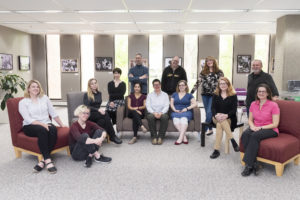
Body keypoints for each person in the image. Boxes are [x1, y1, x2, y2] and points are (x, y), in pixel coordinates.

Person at [18, 80, 64, 174]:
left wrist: (61, 125)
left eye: (37, 87)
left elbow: (53, 112)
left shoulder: (45, 98)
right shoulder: (23, 102)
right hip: (30, 125)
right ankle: (48, 160)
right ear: (29, 89)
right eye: (33, 87)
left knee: (53, 130)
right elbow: (27, 118)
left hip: (46, 122)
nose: (36, 88)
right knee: (42, 130)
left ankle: (42, 161)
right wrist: (42, 124)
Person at [241, 84, 280, 176]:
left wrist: (260, 128)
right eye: (259, 91)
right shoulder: (253, 104)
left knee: (255, 135)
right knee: (245, 134)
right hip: (256, 127)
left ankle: (249, 166)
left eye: (263, 91)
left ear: (267, 93)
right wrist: (252, 126)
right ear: (257, 93)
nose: (261, 93)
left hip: (270, 129)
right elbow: (250, 120)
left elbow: (275, 124)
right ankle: (254, 163)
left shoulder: (273, 105)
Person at [191, 56, 224, 135]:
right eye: (207, 61)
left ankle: (204, 129)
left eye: (210, 60)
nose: (209, 62)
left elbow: (222, 83)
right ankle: (210, 129)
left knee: (209, 111)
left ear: (214, 61)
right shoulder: (203, 72)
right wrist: (191, 92)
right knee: (207, 112)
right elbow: (198, 82)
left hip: (214, 95)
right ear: (206, 63)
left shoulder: (219, 72)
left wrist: (223, 93)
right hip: (204, 94)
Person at [84, 78, 122, 144]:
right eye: (92, 84)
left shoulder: (99, 93)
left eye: (95, 83)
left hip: (97, 114)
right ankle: (112, 136)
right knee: (105, 114)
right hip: (89, 114)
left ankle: (96, 136)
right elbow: (87, 106)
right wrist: (98, 110)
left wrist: (101, 110)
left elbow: (97, 104)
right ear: (89, 86)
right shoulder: (87, 94)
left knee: (102, 121)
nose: (94, 85)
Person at [210, 77, 239, 159]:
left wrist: (226, 115)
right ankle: (233, 140)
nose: (222, 85)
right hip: (216, 117)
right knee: (219, 122)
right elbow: (212, 108)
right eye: (221, 83)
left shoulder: (233, 95)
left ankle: (216, 150)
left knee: (220, 125)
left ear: (228, 85)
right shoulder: (215, 95)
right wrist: (216, 115)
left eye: (224, 83)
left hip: (229, 118)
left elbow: (234, 110)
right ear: (219, 85)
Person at [170, 80, 197, 145]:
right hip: (176, 111)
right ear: (178, 86)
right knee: (176, 120)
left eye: (183, 85)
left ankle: (180, 139)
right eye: (180, 85)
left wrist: (187, 108)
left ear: (185, 86)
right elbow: (171, 104)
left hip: (186, 111)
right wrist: (174, 110)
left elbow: (195, 104)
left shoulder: (189, 95)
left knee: (183, 120)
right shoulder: (174, 94)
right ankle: (184, 137)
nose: (181, 86)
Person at [146, 79, 170, 145]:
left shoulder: (165, 95)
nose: (156, 86)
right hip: (152, 112)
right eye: (155, 85)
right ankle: (154, 137)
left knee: (165, 117)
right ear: (153, 86)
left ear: (160, 85)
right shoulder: (150, 95)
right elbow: (148, 106)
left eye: (158, 84)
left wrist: (161, 113)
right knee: (150, 117)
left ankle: (160, 137)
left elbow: (166, 106)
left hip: (162, 112)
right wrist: (154, 113)